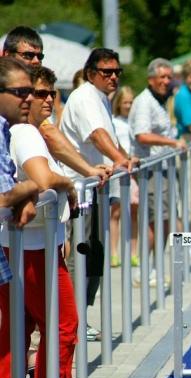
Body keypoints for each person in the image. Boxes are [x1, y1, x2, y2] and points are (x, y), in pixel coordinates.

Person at [0, 63, 81, 378]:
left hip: (27, 242)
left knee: (20, 324)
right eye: (31, 92)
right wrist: (64, 183)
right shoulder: (25, 133)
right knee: (62, 322)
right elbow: (42, 177)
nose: (41, 99)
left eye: (50, 93)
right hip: (30, 245)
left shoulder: (20, 131)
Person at [61, 47, 137, 342]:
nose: (114, 77)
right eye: (107, 72)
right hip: (80, 190)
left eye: (118, 71)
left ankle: (76, 318)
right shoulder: (85, 97)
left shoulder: (101, 99)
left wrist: (124, 157)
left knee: (94, 256)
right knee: (79, 257)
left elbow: (110, 137)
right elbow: (96, 135)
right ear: (91, 73)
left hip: (96, 189)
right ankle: (66, 322)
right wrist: (121, 160)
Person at [129, 58, 186, 284]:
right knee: (155, 221)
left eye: (169, 77)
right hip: (151, 169)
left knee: (163, 220)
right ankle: (144, 269)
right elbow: (141, 134)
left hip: (162, 168)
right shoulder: (144, 102)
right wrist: (172, 143)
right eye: (162, 77)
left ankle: (153, 266)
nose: (166, 81)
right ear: (151, 79)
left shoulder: (160, 101)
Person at [111, 86, 139, 268]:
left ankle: (133, 252)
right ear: (119, 104)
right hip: (121, 168)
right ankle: (114, 252)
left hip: (135, 169)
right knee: (116, 212)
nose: (128, 106)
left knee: (135, 210)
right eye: (125, 102)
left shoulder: (135, 122)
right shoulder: (114, 122)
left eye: (131, 102)